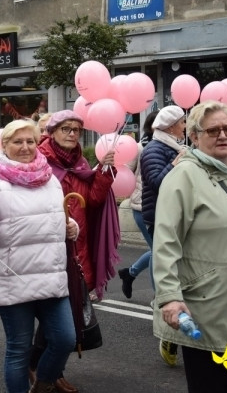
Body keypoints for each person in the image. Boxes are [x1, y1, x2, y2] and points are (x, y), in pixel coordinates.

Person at [152, 101, 227, 393]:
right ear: (195, 136)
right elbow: (165, 242)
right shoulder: (183, 177)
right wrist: (169, 297)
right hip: (207, 306)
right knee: (213, 385)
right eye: (213, 130)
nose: (223, 135)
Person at [0, 120, 79, 393]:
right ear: (4, 146)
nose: (25, 147)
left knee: (65, 339)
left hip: (51, 274)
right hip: (12, 277)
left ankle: (42, 385)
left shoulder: (49, 178)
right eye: (17, 142)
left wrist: (71, 225)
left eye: (30, 141)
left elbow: (56, 215)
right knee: (19, 349)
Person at [38, 110, 117, 301]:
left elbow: (92, 200)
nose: (72, 134)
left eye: (77, 130)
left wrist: (103, 173)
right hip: (47, 241)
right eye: (66, 129)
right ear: (52, 131)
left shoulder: (80, 162)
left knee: (75, 310)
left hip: (78, 242)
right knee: (52, 307)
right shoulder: (38, 160)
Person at [136, 105, 187, 365]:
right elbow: (156, 183)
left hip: (176, 216)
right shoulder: (155, 149)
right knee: (168, 269)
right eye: (182, 122)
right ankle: (167, 329)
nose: (185, 126)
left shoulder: (173, 147)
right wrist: (176, 164)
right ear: (170, 127)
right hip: (160, 217)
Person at [117, 110, 159, 300]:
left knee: (159, 250)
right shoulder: (139, 148)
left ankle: (130, 273)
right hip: (143, 208)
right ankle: (159, 298)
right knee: (159, 253)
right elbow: (125, 174)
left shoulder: (175, 146)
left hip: (164, 208)